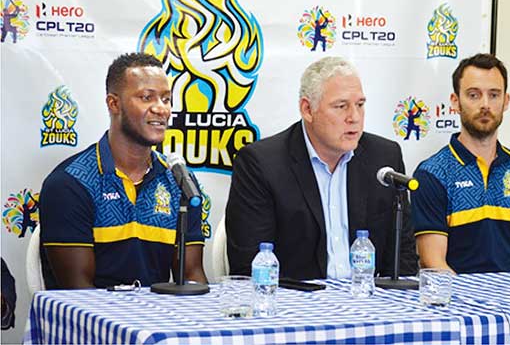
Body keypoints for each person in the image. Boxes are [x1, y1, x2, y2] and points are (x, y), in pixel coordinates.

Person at [226, 56, 417, 280]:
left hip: (369, 304)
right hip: (295, 306)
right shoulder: (261, 164)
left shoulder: (384, 158)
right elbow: (249, 264)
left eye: (360, 105)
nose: (354, 117)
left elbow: (403, 259)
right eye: (341, 106)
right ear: (307, 109)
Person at [39, 52, 207, 289]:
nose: (161, 109)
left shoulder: (179, 182)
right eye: (147, 97)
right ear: (113, 104)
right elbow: (77, 292)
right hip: (91, 322)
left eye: (166, 99)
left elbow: (192, 275)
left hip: (157, 320)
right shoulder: (70, 183)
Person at [411, 53, 510, 274]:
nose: (485, 104)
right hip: (457, 304)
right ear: (455, 102)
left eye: (494, 95)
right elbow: (433, 263)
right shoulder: (432, 174)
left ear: (506, 101)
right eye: (474, 95)